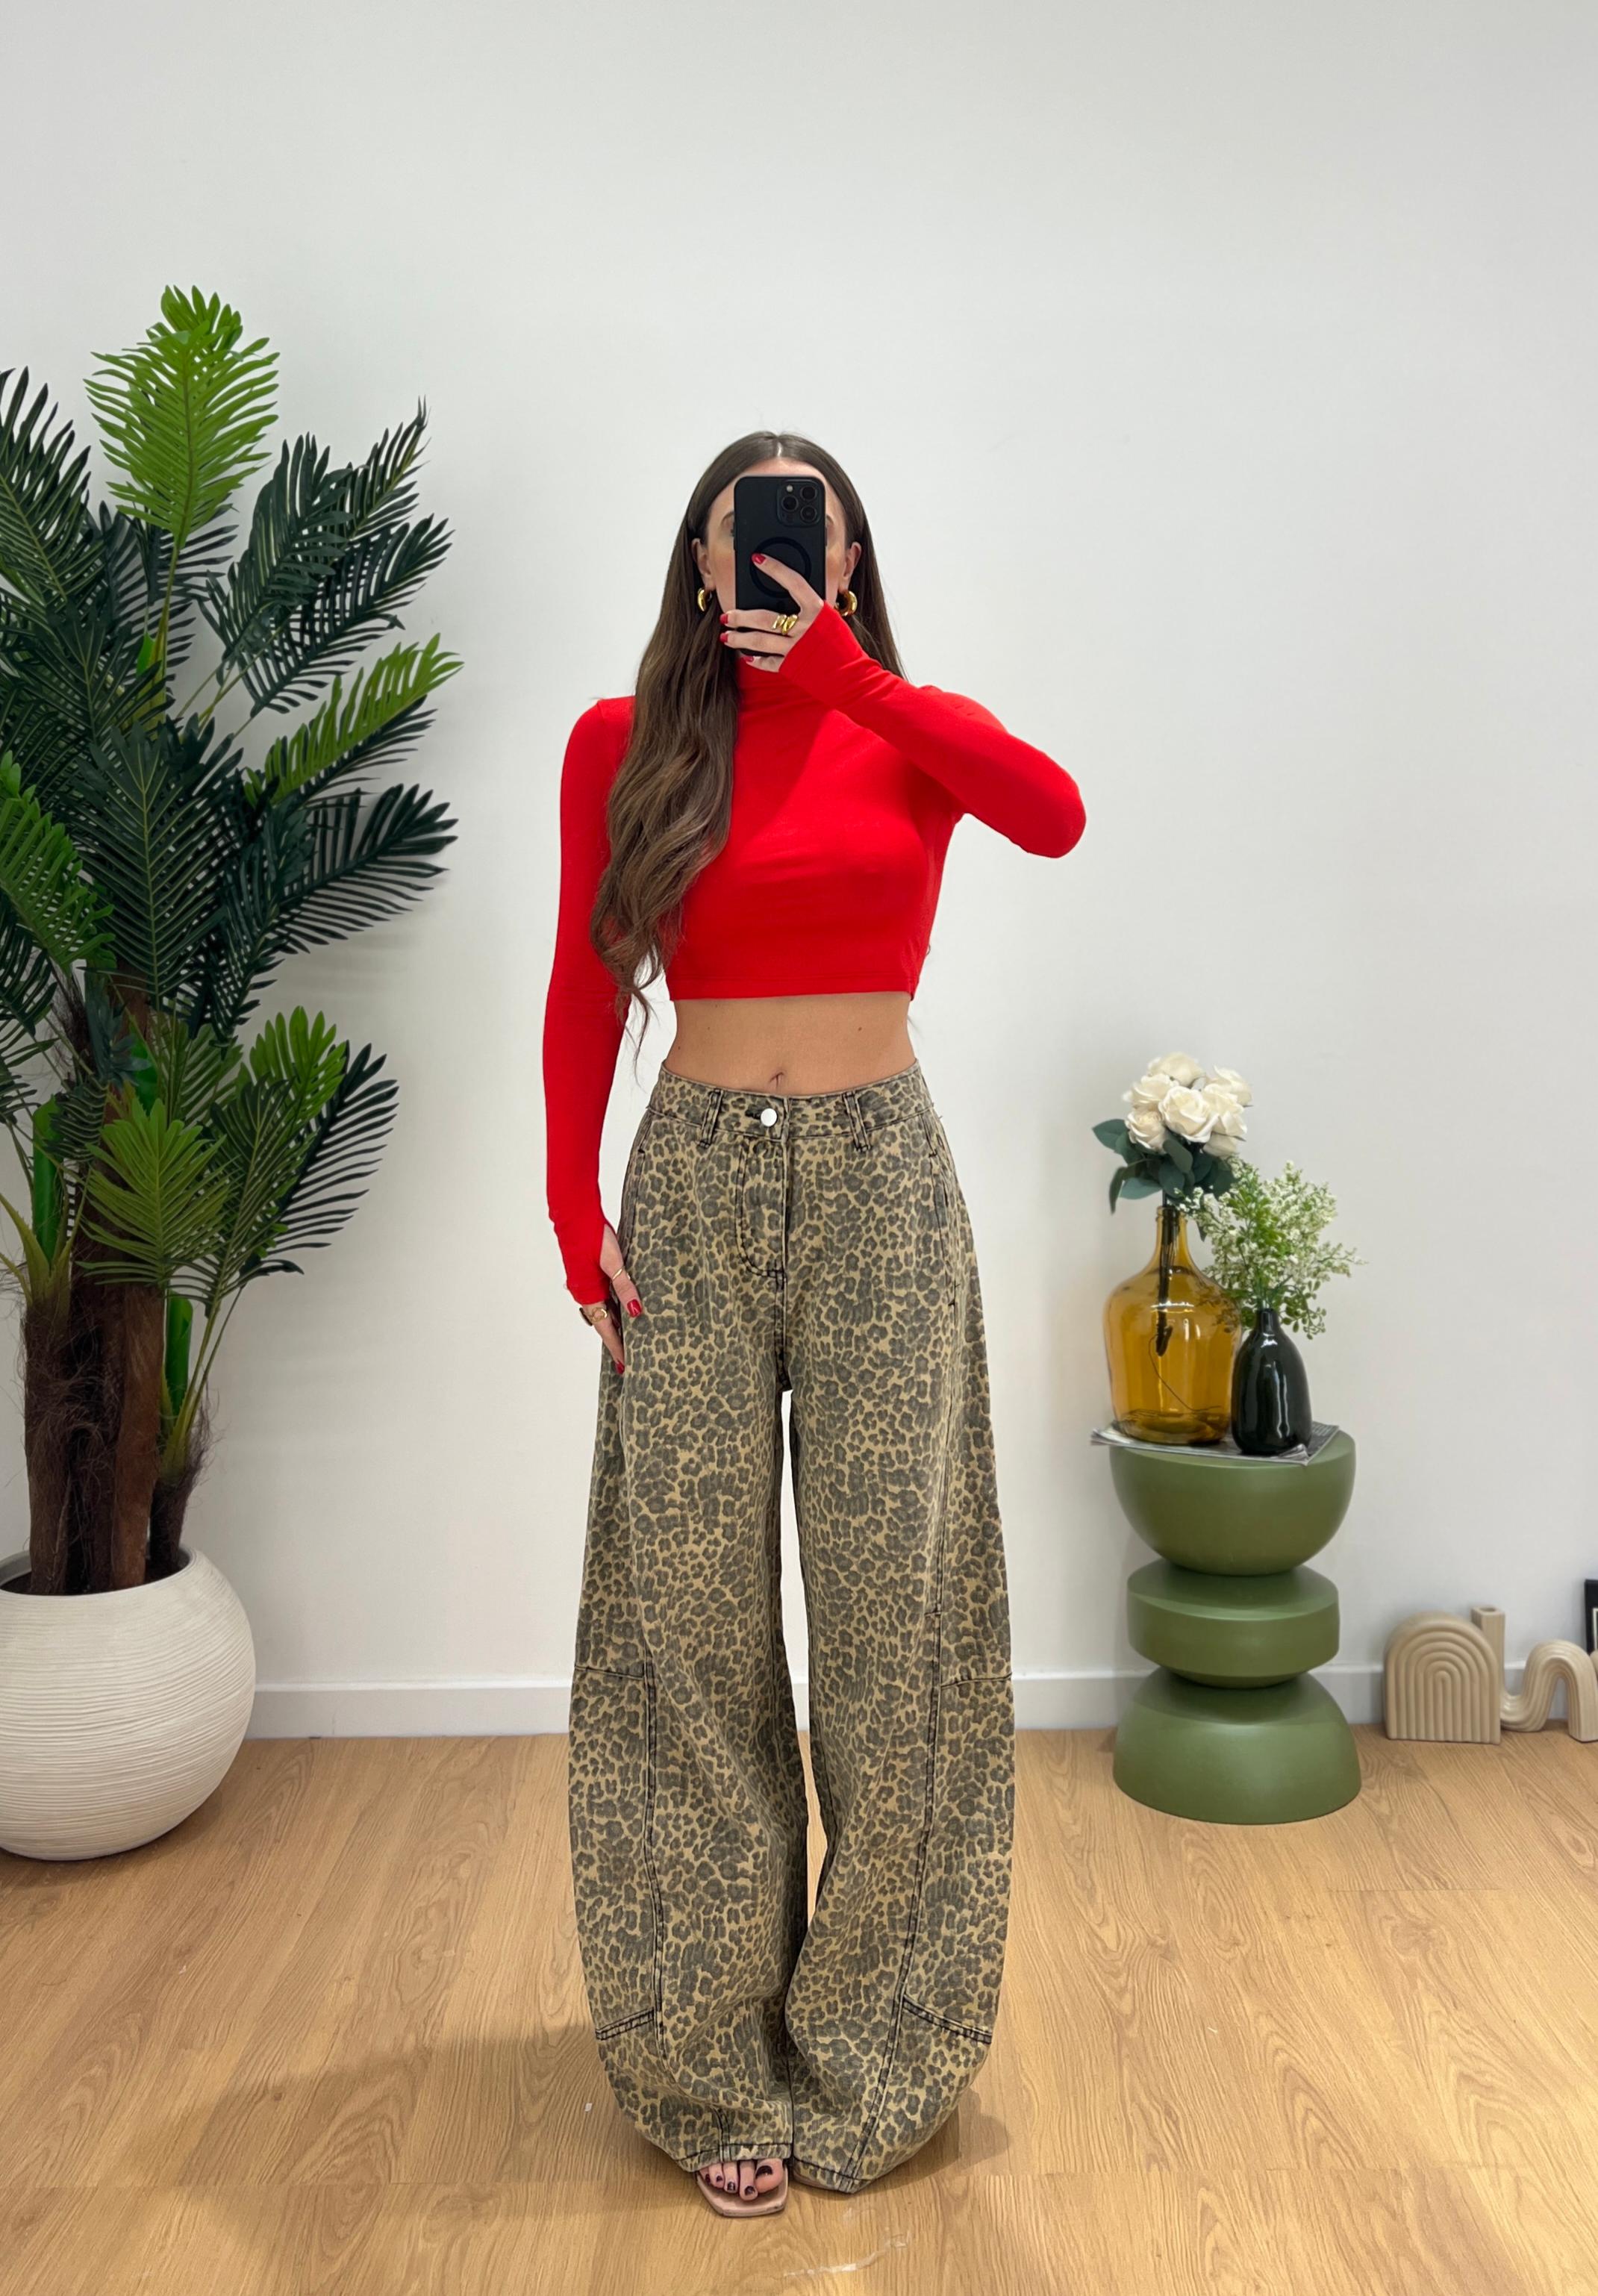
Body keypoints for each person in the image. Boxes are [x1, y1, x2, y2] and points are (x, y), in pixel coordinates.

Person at [542, 431, 1087, 2217]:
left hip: (881, 1190)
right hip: (692, 1188)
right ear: (699, 560)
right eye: (741, 527)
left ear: (846, 557)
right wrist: (567, 1203)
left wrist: (858, 683)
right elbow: (581, 981)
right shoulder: (624, 745)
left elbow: (1054, 811)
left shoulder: (908, 731)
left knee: (893, 1631)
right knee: (686, 1630)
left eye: (807, 526)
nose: (771, 553)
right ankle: (711, 2058)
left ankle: (876, 2047)